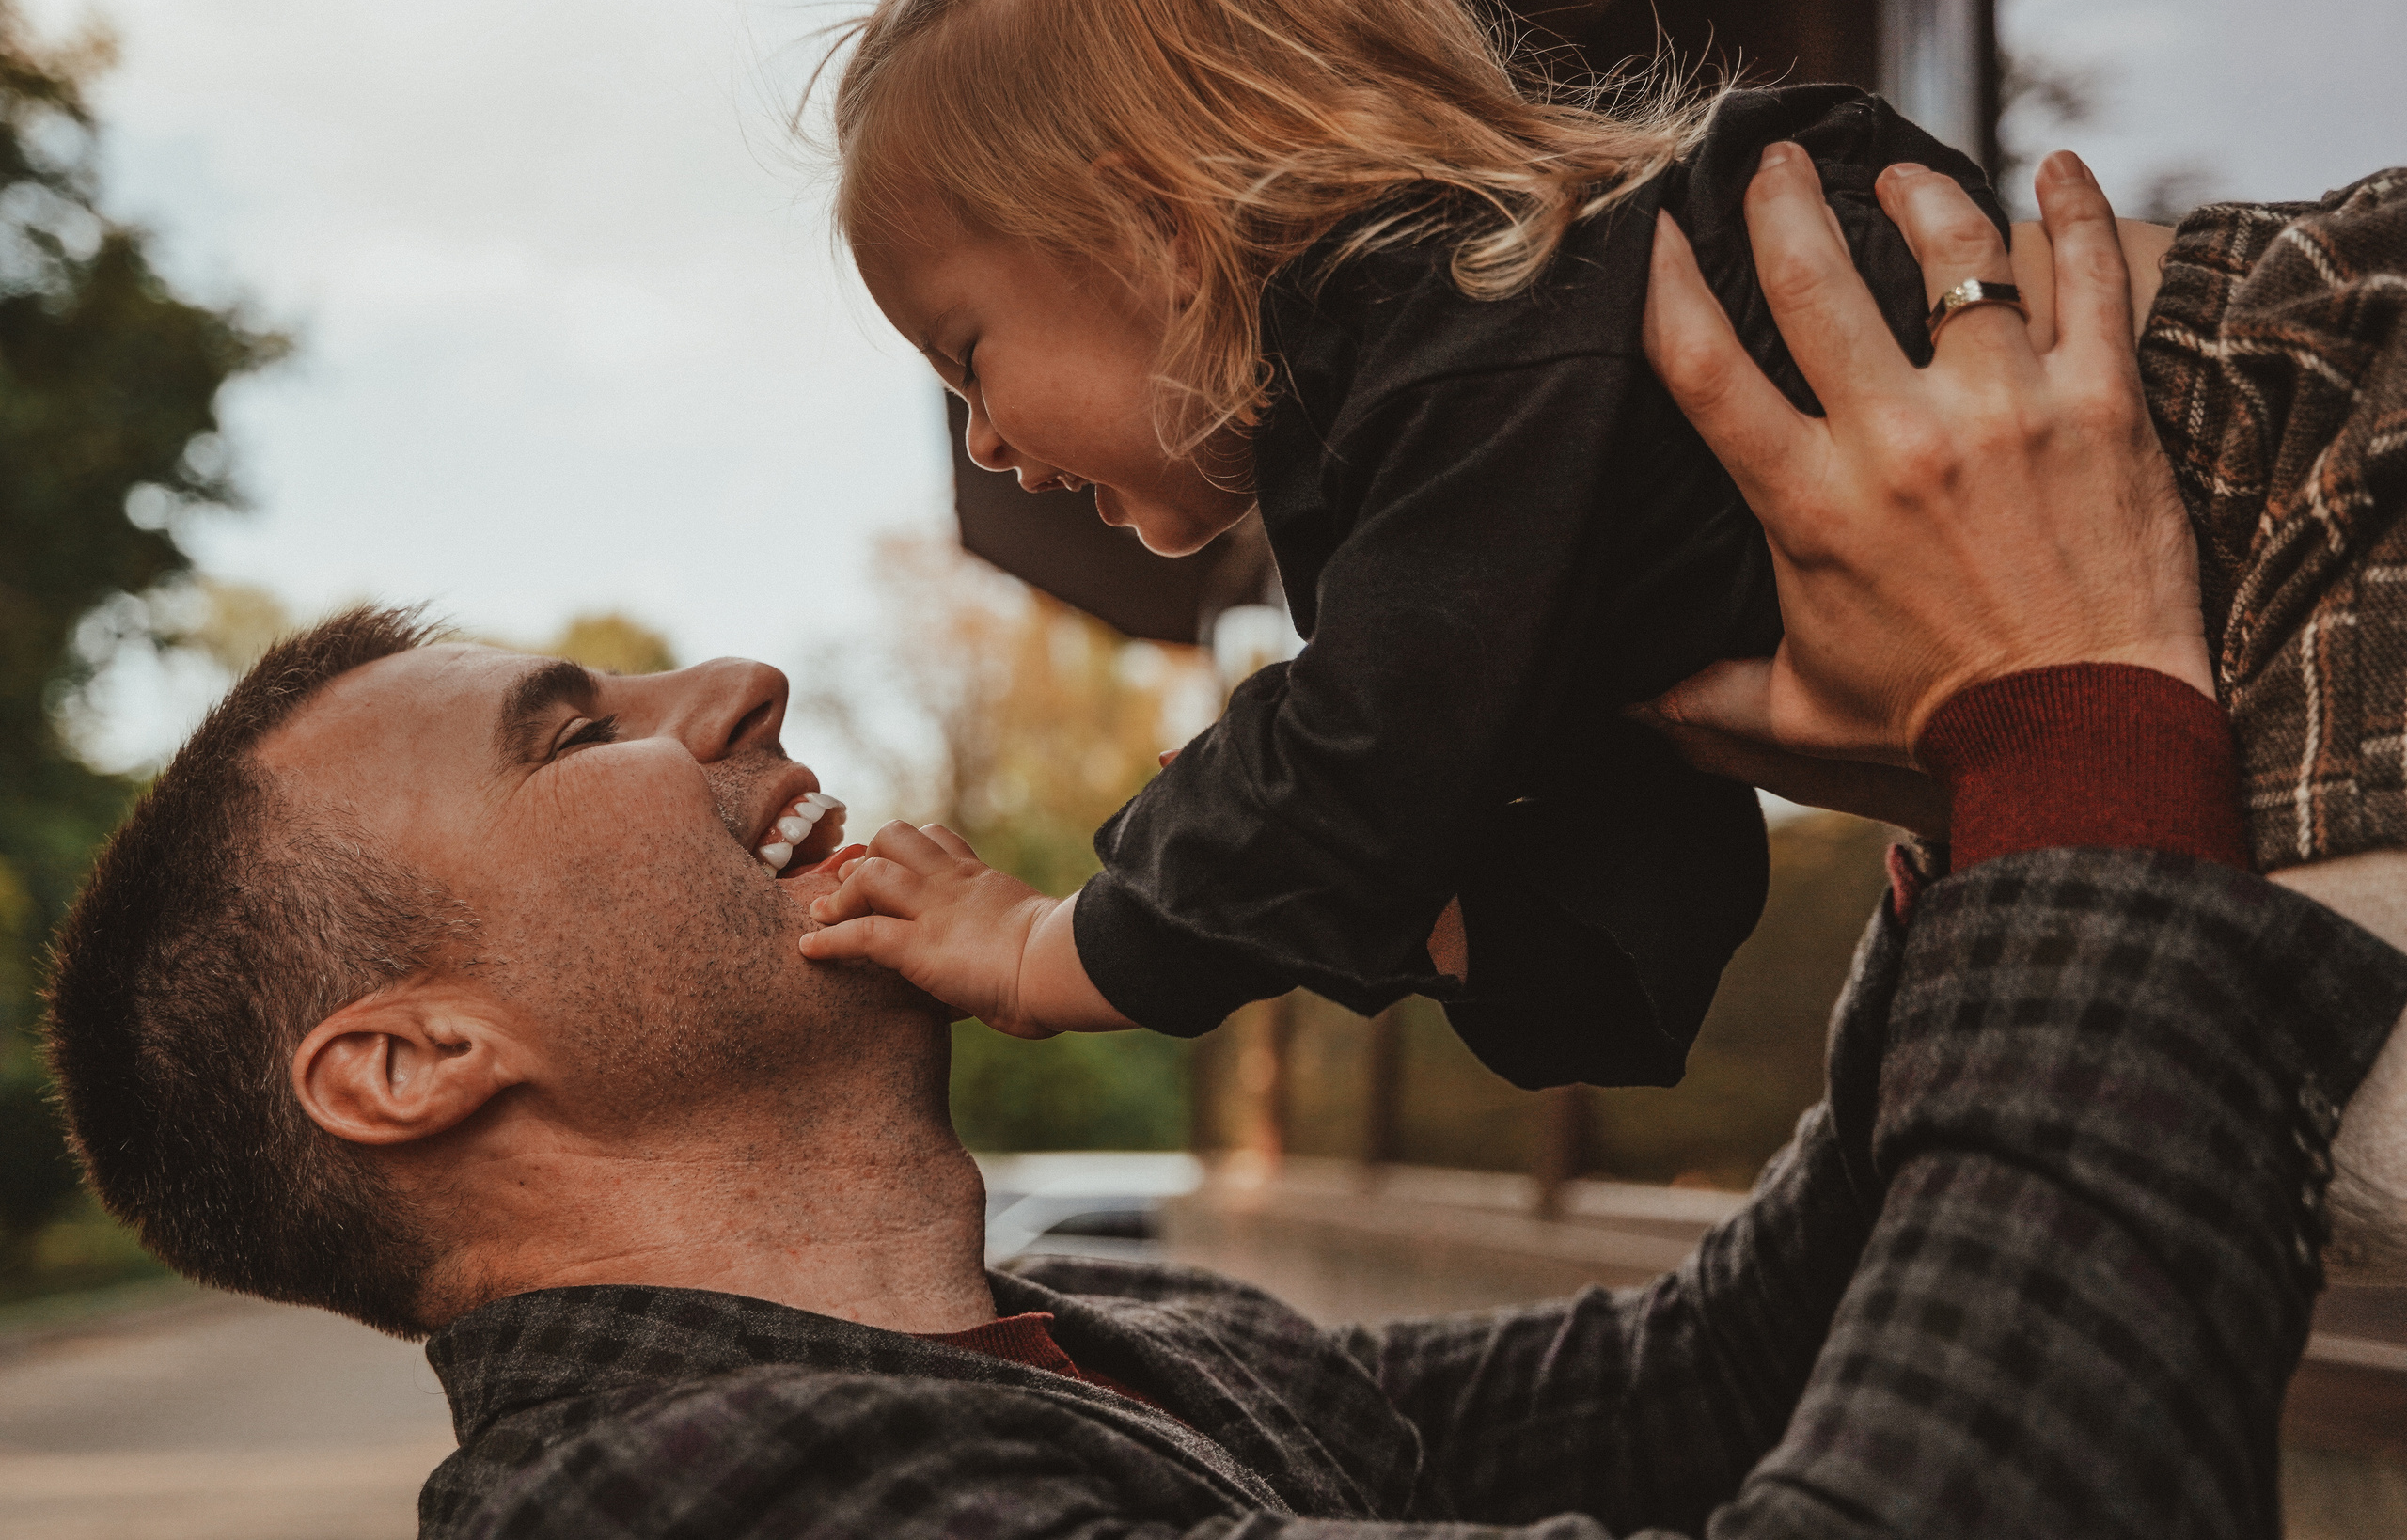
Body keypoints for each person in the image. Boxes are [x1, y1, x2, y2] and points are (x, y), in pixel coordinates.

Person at [39, 151, 2406, 1537]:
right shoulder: (708, 1506)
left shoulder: (1119, 1353)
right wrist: (2075, 721)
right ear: (408, 1058)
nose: (729, 685)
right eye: (574, 730)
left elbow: (1726, 1377)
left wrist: (1944, 789)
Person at [813, 0, 2407, 1142]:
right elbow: (1646, 903)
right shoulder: (1501, 496)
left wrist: (1046, 947)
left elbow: (1351, 757)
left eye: (969, 353)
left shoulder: (1482, 342)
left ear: (1151, 230)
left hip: (2306, 432)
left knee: (2274, 1108)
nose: (985, 443)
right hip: (2230, 597)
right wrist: (1420, 904)